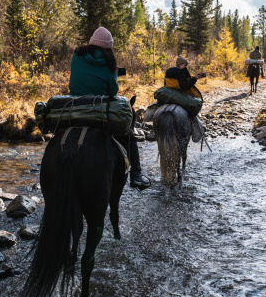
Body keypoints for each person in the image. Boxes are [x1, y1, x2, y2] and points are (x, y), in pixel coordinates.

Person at [69, 26, 151, 189]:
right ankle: (136, 175)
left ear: (91, 42)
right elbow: (113, 91)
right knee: (130, 137)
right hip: (99, 113)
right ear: (108, 48)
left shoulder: (77, 56)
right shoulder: (109, 64)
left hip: (75, 109)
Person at [164, 55, 205, 142]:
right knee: (192, 111)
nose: (185, 67)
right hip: (179, 94)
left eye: (186, 65)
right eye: (184, 65)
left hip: (168, 93)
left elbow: (166, 84)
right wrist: (194, 78)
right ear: (179, 64)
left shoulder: (169, 71)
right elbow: (184, 86)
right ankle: (196, 130)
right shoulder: (181, 72)